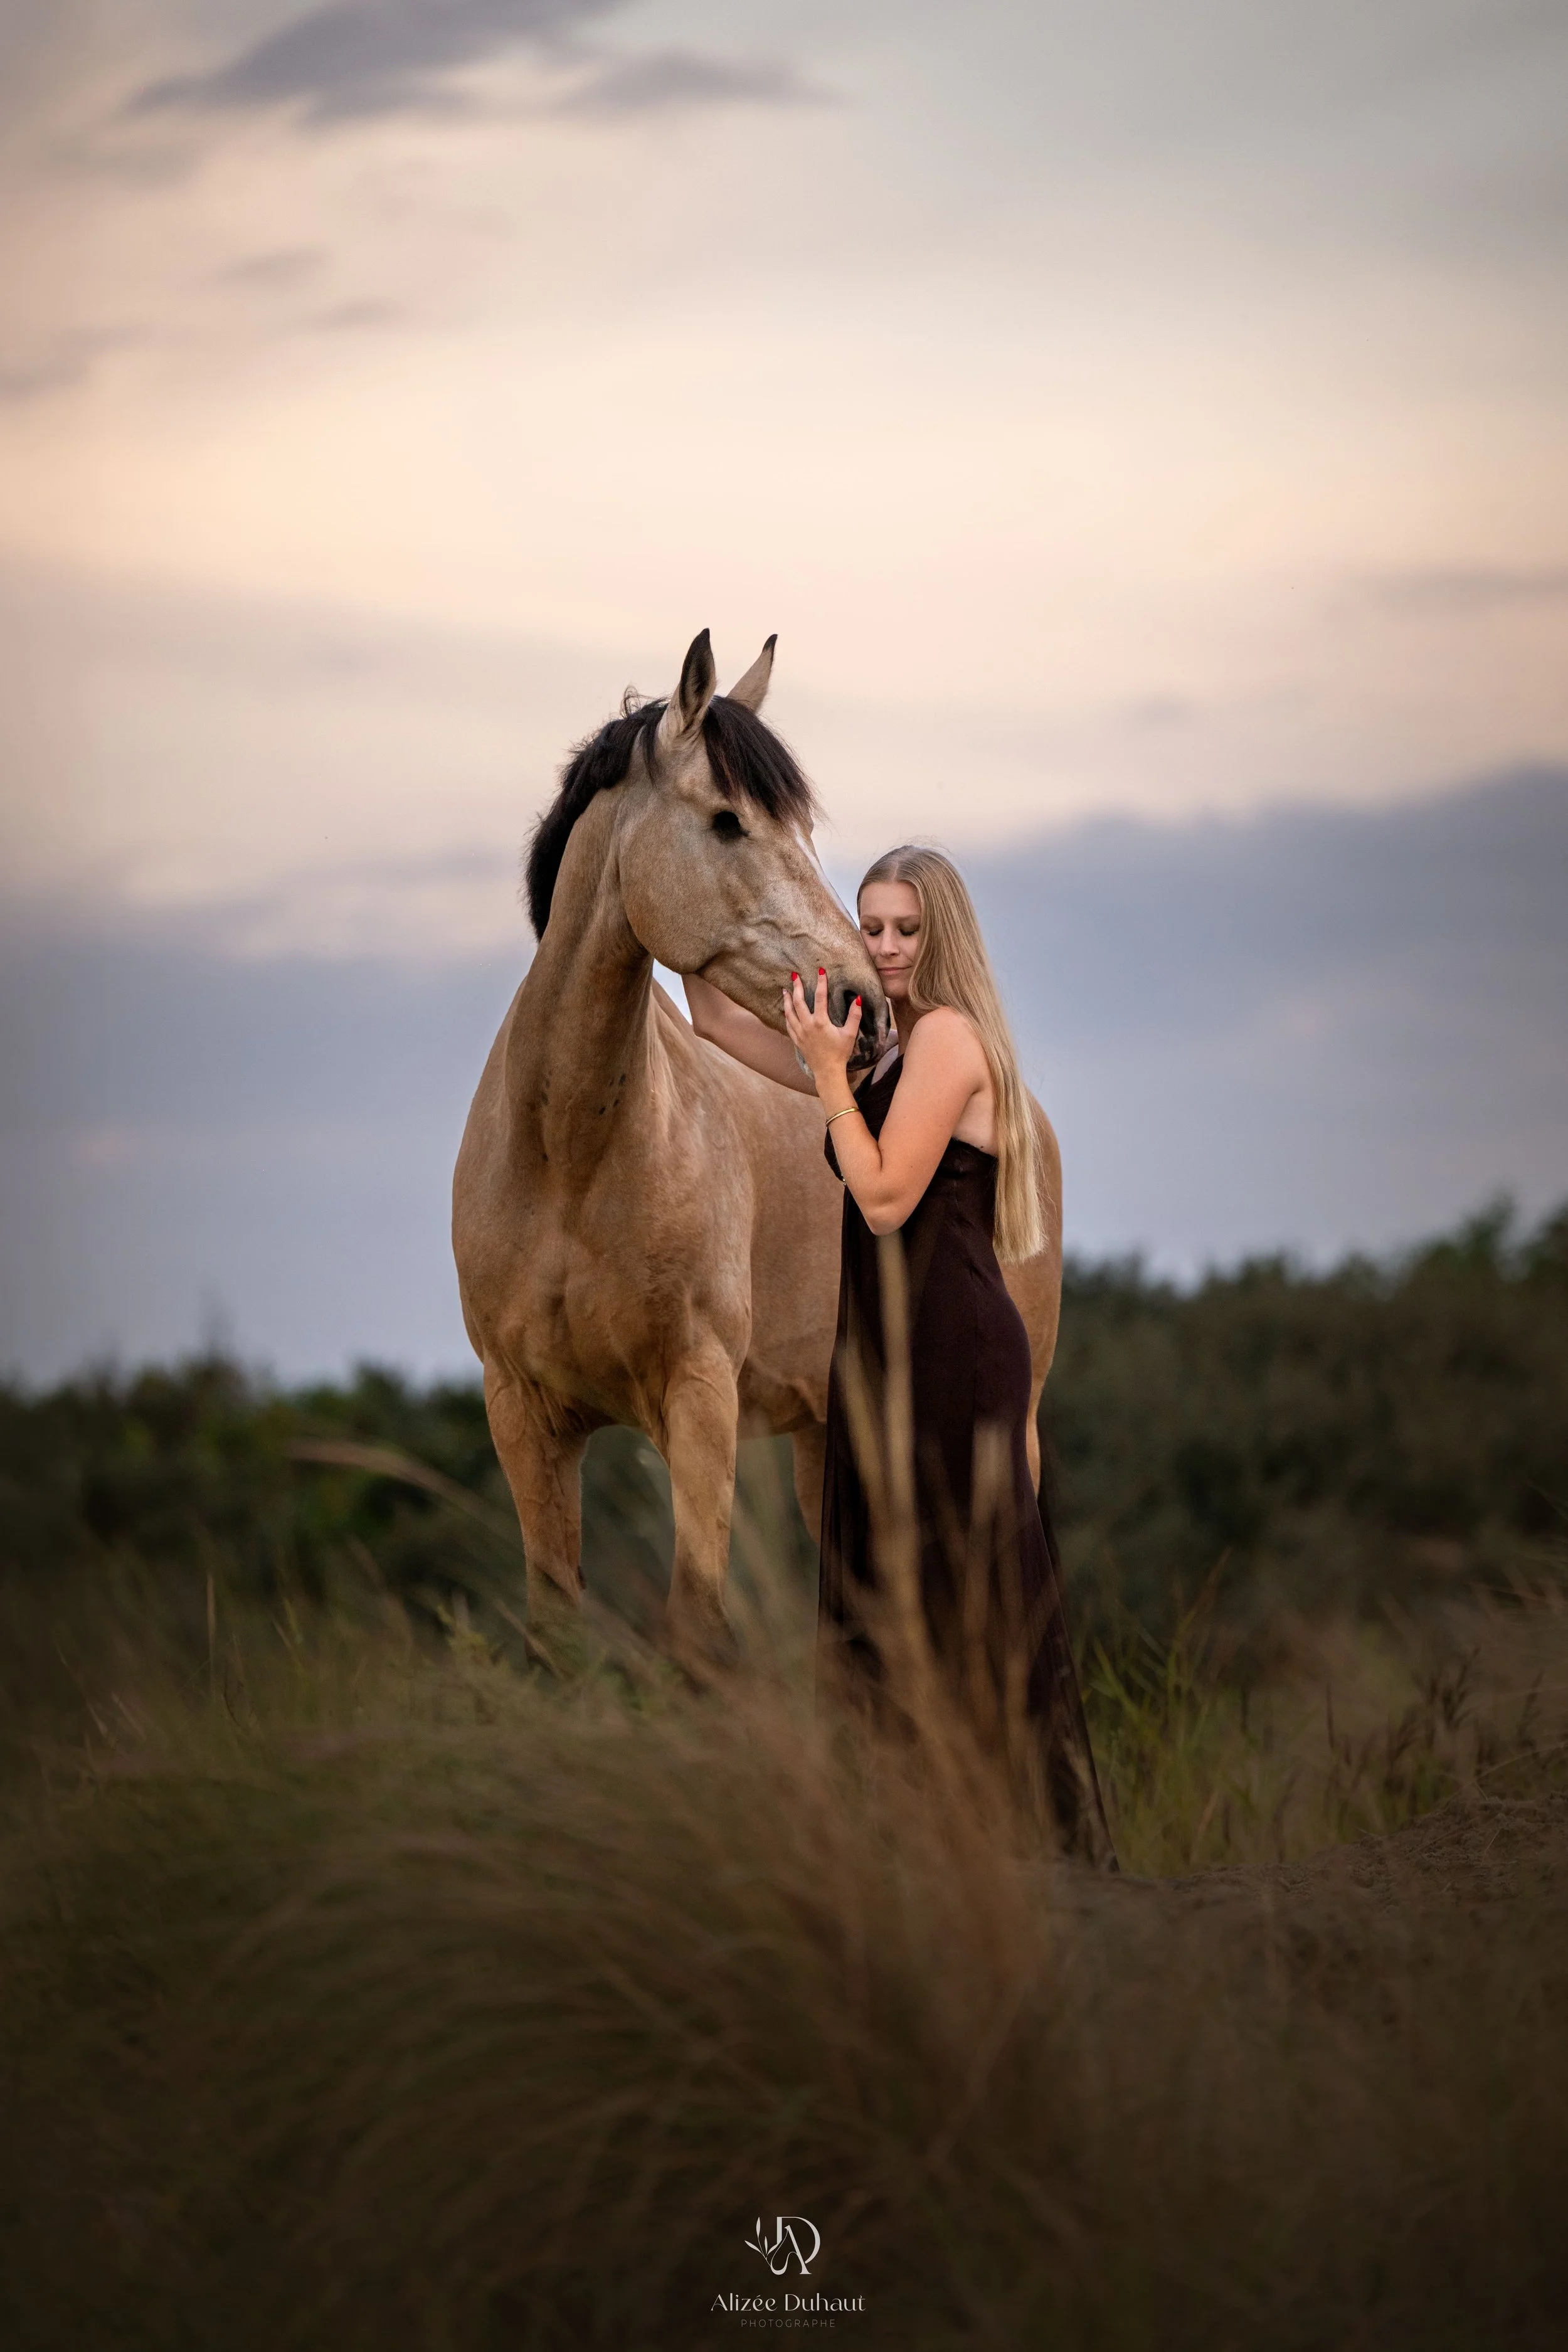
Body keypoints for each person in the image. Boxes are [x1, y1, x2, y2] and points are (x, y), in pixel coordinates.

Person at [684, 844, 1114, 1863]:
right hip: (881, 1352)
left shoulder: (950, 1042)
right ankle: (915, 1853)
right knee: (881, 1600)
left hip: (956, 1345)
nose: (882, 948)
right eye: (870, 926)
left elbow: (881, 1199)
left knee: (969, 1602)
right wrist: (699, 897)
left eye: (904, 930)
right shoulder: (881, 1049)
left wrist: (827, 1077)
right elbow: (713, 1022)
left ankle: (1041, 1861)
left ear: (944, 935)